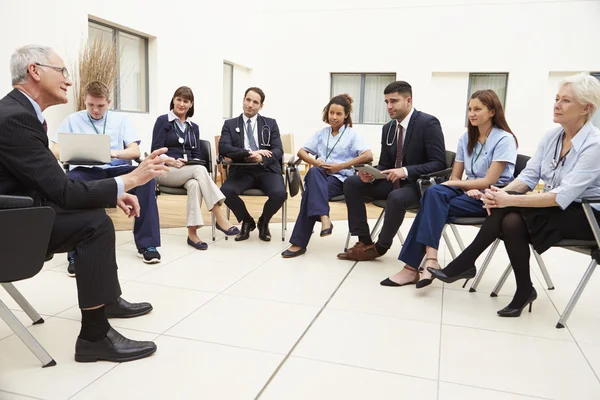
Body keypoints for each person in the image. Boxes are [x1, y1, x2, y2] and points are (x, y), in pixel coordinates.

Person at [0, 45, 172, 362]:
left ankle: (106, 300)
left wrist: (113, 190)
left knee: (93, 212)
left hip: (20, 210)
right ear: (35, 71)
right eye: (62, 72)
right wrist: (130, 180)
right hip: (10, 226)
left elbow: (50, 183)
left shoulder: (20, 114)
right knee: (94, 225)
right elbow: (62, 190)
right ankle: (94, 337)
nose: (68, 81)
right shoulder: (15, 119)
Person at [431, 73, 600, 317]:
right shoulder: (552, 136)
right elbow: (528, 178)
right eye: (556, 98)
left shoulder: (594, 144)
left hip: (587, 217)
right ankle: (522, 289)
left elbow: (563, 195)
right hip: (558, 208)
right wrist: (498, 193)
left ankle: (467, 264)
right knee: (510, 219)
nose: (556, 104)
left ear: (586, 108)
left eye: (565, 101)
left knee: (510, 213)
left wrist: (508, 199)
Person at [381, 90, 518, 287]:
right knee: (433, 194)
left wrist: (460, 185)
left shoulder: (504, 139)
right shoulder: (466, 139)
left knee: (431, 204)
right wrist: (464, 187)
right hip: (468, 191)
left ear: (492, 112)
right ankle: (430, 260)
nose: (471, 113)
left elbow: (489, 180)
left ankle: (413, 268)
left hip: (492, 196)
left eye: (477, 109)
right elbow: (455, 175)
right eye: (470, 109)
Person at [51, 80, 161, 277]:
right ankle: (75, 254)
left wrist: (114, 153)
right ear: (84, 101)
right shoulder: (72, 120)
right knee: (73, 182)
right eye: (90, 105)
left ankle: (148, 245)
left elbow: (134, 150)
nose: (95, 110)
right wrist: (73, 153)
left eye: (100, 105)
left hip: (114, 168)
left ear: (108, 102)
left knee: (146, 180)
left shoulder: (121, 120)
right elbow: (55, 149)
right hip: (85, 170)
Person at [337, 81, 446, 261]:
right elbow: (385, 164)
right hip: (391, 182)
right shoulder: (388, 128)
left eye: (393, 101)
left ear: (408, 100)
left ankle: (380, 248)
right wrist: (371, 174)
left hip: (416, 185)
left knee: (396, 198)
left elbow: (439, 164)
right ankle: (364, 241)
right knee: (352, 183)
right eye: (386, 102)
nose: (389, 106)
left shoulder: (428, 123)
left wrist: (405, 170)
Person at [282, 94, 373, 258]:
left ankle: (299, 243)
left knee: (310, 193)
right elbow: (301, 152)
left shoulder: (352, 135)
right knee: (315, 172)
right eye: (331, 113)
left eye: (338, 114)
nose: (334, 117)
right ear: (327, 113)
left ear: (346, 115)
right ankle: (324, 217)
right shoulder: (321, 134)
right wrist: (317, 163)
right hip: (321, 177)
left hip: (340, 180)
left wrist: (340, 166)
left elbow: (368, 155)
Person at [151, 86, 240, 249]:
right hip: (165, 170)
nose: (181, 104)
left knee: (195, 184)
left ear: (191, 104)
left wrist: (191, 162)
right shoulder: (163, 121)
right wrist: (171, 160)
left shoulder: (194, 128)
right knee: (199, 171)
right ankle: (220, 216)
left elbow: (197, 154)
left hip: (187, 171)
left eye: (186, 101)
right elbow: (155, 152)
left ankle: (192, 234)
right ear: (173, 100)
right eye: (179, 99)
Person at [218, 87, 286, 242]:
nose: (250, 104)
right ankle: (247, 221)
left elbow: (278, 150)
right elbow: (224, 148)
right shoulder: (230, 124)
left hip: (266, 169)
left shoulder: (270, 123)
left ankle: (264, 221)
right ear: (243, 100)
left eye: (255, 102)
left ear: (261, 106)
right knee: (225, 191)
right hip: (242, 170)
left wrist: (262, 158)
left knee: (279, 194)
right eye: (248, 100)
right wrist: (249, 153)